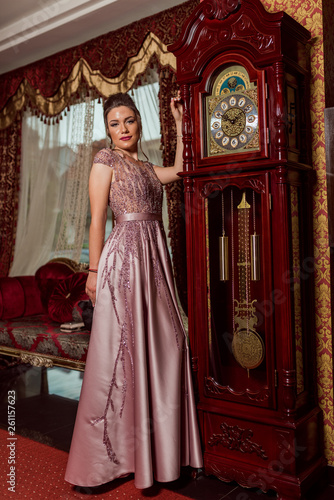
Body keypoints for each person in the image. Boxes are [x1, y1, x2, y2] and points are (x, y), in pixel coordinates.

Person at [65, 92, 203, 490]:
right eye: (114, 123)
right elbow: (96, 221)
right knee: (122, 354)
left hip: (155, 257)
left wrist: (179, 120)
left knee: (171, 344)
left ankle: (165, 452)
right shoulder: (104, 161)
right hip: (123, 260)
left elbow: (179, 170)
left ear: (139, 122)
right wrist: (93, 271)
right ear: (106, 130)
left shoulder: (142, 165)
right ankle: (109, 460)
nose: (122, 129)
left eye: (128, 121)